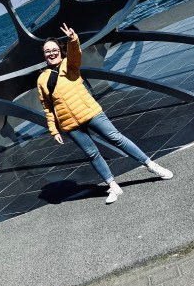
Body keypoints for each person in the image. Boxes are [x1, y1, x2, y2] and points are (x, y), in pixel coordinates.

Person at [37, 23, 173, 204]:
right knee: (92, 153)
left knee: (117, 138)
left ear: (60, 51)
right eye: (47, 51)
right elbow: (47, 106)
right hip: (69, 124)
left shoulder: (69, 66)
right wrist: (54, 130)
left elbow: (76, 53)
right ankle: (113, 186)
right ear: (44, 55)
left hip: (90, 112)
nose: (51, 53)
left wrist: (72, 39)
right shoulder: (42, 79)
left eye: (54, 50)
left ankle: (151, 165)